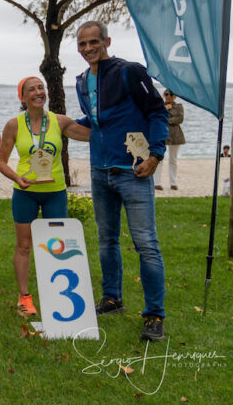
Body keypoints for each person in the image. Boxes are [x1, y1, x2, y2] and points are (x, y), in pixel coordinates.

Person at [75, 20, 168, 342]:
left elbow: (157, 112)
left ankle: (154, 315)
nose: (88, 48)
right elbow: (97, 121)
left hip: (133, 171)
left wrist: (155, 155)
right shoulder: (81, 81)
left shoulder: (130, 71)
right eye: (82, 44)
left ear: (107, 41)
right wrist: (56, 123)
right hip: (99, 172)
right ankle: (112, 299)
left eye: (93, 42)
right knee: (107, 240)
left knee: (146, 244)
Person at [0, 77, 91, 316]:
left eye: (41, 87)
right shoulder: (14, 125)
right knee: (24, 246)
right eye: (32, 89)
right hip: (25, 193)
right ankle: (24, 297)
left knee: (57, 246)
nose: (38, 92)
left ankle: (57, 297)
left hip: (55, 193)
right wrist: (17, 178)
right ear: (23, 97)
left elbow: (91, 135)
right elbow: (1, 162)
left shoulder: (59, 121)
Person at [155, 89, 185, 191]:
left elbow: (180, 119)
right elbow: (157, 117)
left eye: (171, 94)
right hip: (162, 134)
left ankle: (173, 183)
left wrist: (167, 119)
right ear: (164, 95)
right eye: (166, 94)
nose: (168, 96)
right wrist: (165, 109)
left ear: (175, 96)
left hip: (175, 135)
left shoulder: (179, 106)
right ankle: (157, 182)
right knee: (159, 158)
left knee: (173, 160)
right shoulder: (160, 106)